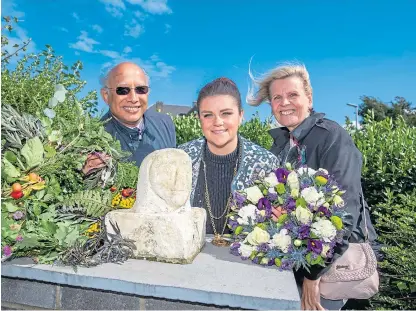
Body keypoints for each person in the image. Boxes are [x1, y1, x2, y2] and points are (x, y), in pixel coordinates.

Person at [246, 62, 378, 310]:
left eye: (292, 94)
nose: (284, 102)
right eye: (277, 97)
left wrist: (312, 275)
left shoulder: (331, 137)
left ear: (309, 97)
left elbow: (344, 214)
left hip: (329, 268)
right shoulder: (283, 145)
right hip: (296, 263)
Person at [178, 77, 279, 243]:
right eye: (208, 115)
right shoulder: (181, 158)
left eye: (226, 113)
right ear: (199, 118)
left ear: (240, 116)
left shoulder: (266, 164)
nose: (217, 122)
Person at [83, 62, 176, 173]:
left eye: (141, 89)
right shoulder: (91, 138)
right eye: (123, 90)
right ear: (106, 96)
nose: (133, 98)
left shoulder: (164, 124)